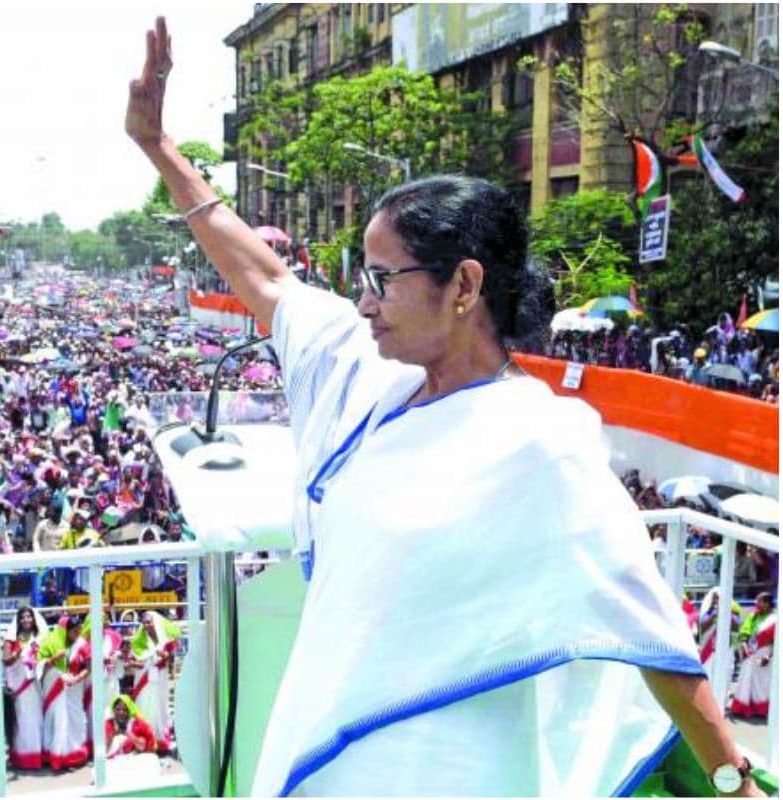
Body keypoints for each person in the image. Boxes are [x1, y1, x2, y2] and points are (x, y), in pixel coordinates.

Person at [126, 17, 761, 796]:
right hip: (338, 749)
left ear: (463, 285)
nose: (363, 303)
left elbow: (647, 623)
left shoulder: (539, 439)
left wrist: (731, 777)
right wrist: (159, 148)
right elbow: (265, 278)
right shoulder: (366, 374)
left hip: (457, 766)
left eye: (382, 280)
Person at [37, 615, 91, 771]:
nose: (77, 634)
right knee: (55, 720)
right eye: (74, 631)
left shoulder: (82, 645)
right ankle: (54, 754)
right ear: (66, 631)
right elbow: (40, 666)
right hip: (54, 688)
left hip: (74, 689)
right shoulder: (54, 643)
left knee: (74, 720)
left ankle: (74, 755)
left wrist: (77, 679)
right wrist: (54, 658)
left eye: (79, 630)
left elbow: (89, 667)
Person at [1, 605, 47, 770]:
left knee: (36, 717)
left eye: (29, 617)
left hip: (34, 684)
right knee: (22, 719)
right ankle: (22, 757)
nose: (26, 620)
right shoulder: (12, 639)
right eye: (22, 617)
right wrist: (18, 653)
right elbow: (6, 660)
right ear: (18, 621)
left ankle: (37, 754)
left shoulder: (39, 637)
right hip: (18, 685)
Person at [128, 610, 179, 754]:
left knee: (160, 706)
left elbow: (171, 659)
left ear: (155, 622)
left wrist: (166, 656)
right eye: (144, 623)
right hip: (144, 679)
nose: (146, 625)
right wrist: (138, 662)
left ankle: (160, 739)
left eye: (149, 622)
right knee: (145, 705)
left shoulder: (166, 639)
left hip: (160, 677)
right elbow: (136, 661)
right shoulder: (138, 641)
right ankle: (145, 739)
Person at [729, 593, 775, 718]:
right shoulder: (752, 616)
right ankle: (741, 709)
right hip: (750, 652)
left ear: (767, 603)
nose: (756, 604)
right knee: (745, 680)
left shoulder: (776, 619)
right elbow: (745, 632)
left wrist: (769, 656)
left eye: (759, 601)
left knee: (762, 683)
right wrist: (744, 644)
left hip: (766, 654)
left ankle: (761, 710)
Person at [105, 694, 157, 759]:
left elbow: (142, 747)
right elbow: (104, 750)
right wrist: (112, 736)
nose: (121, 713)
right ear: (114, 710)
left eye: (124, 710)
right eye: (118, 709)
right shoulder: (109, 724)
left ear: (129, 711)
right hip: (113, 759)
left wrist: (127, 733)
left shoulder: (137, 724)